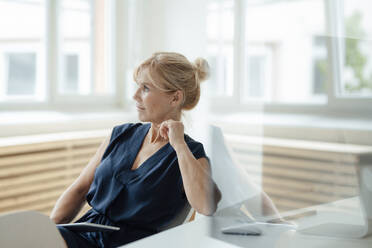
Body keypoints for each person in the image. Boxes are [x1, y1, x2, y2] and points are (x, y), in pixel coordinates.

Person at [50, 52, 222, 248]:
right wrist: (47, 230)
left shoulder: (190, 153)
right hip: (85, 233)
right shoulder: (120, 134)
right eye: (137, 86)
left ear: (175, 98)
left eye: (146, 88)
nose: (135, 96)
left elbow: (206, 206)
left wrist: (179, 144)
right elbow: (80, 189)